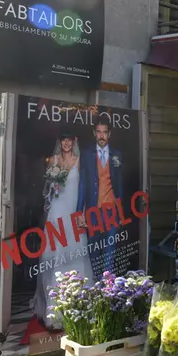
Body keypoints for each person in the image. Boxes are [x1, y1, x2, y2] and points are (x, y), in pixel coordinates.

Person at [34, 132, 94, 329]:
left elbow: (84, 187)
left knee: (75, 253)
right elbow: (48, 190)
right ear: (60, 143)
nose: (66, 144)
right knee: (54, 253)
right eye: (63, 141)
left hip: (73, 212)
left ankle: (78, 307)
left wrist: (83, 212)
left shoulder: (80, 160)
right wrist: (53, 185)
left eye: (69, 141)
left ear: (74, 142)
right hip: (58, 211)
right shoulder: (54, 160)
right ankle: (55, 311)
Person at [78, 114, 124, 274]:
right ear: (94, 133)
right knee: (94, 252)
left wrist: (120, 212)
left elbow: (120, 185)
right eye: (98, 132)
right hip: (93, 211)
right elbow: (83, 183)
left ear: (109, 134)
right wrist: (79, 212)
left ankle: (108, 290)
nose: (101, 136)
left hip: (111, 211)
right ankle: (96, 287)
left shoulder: (117, 154)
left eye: (104, 132)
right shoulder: (87, 153)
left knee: (110, 253)